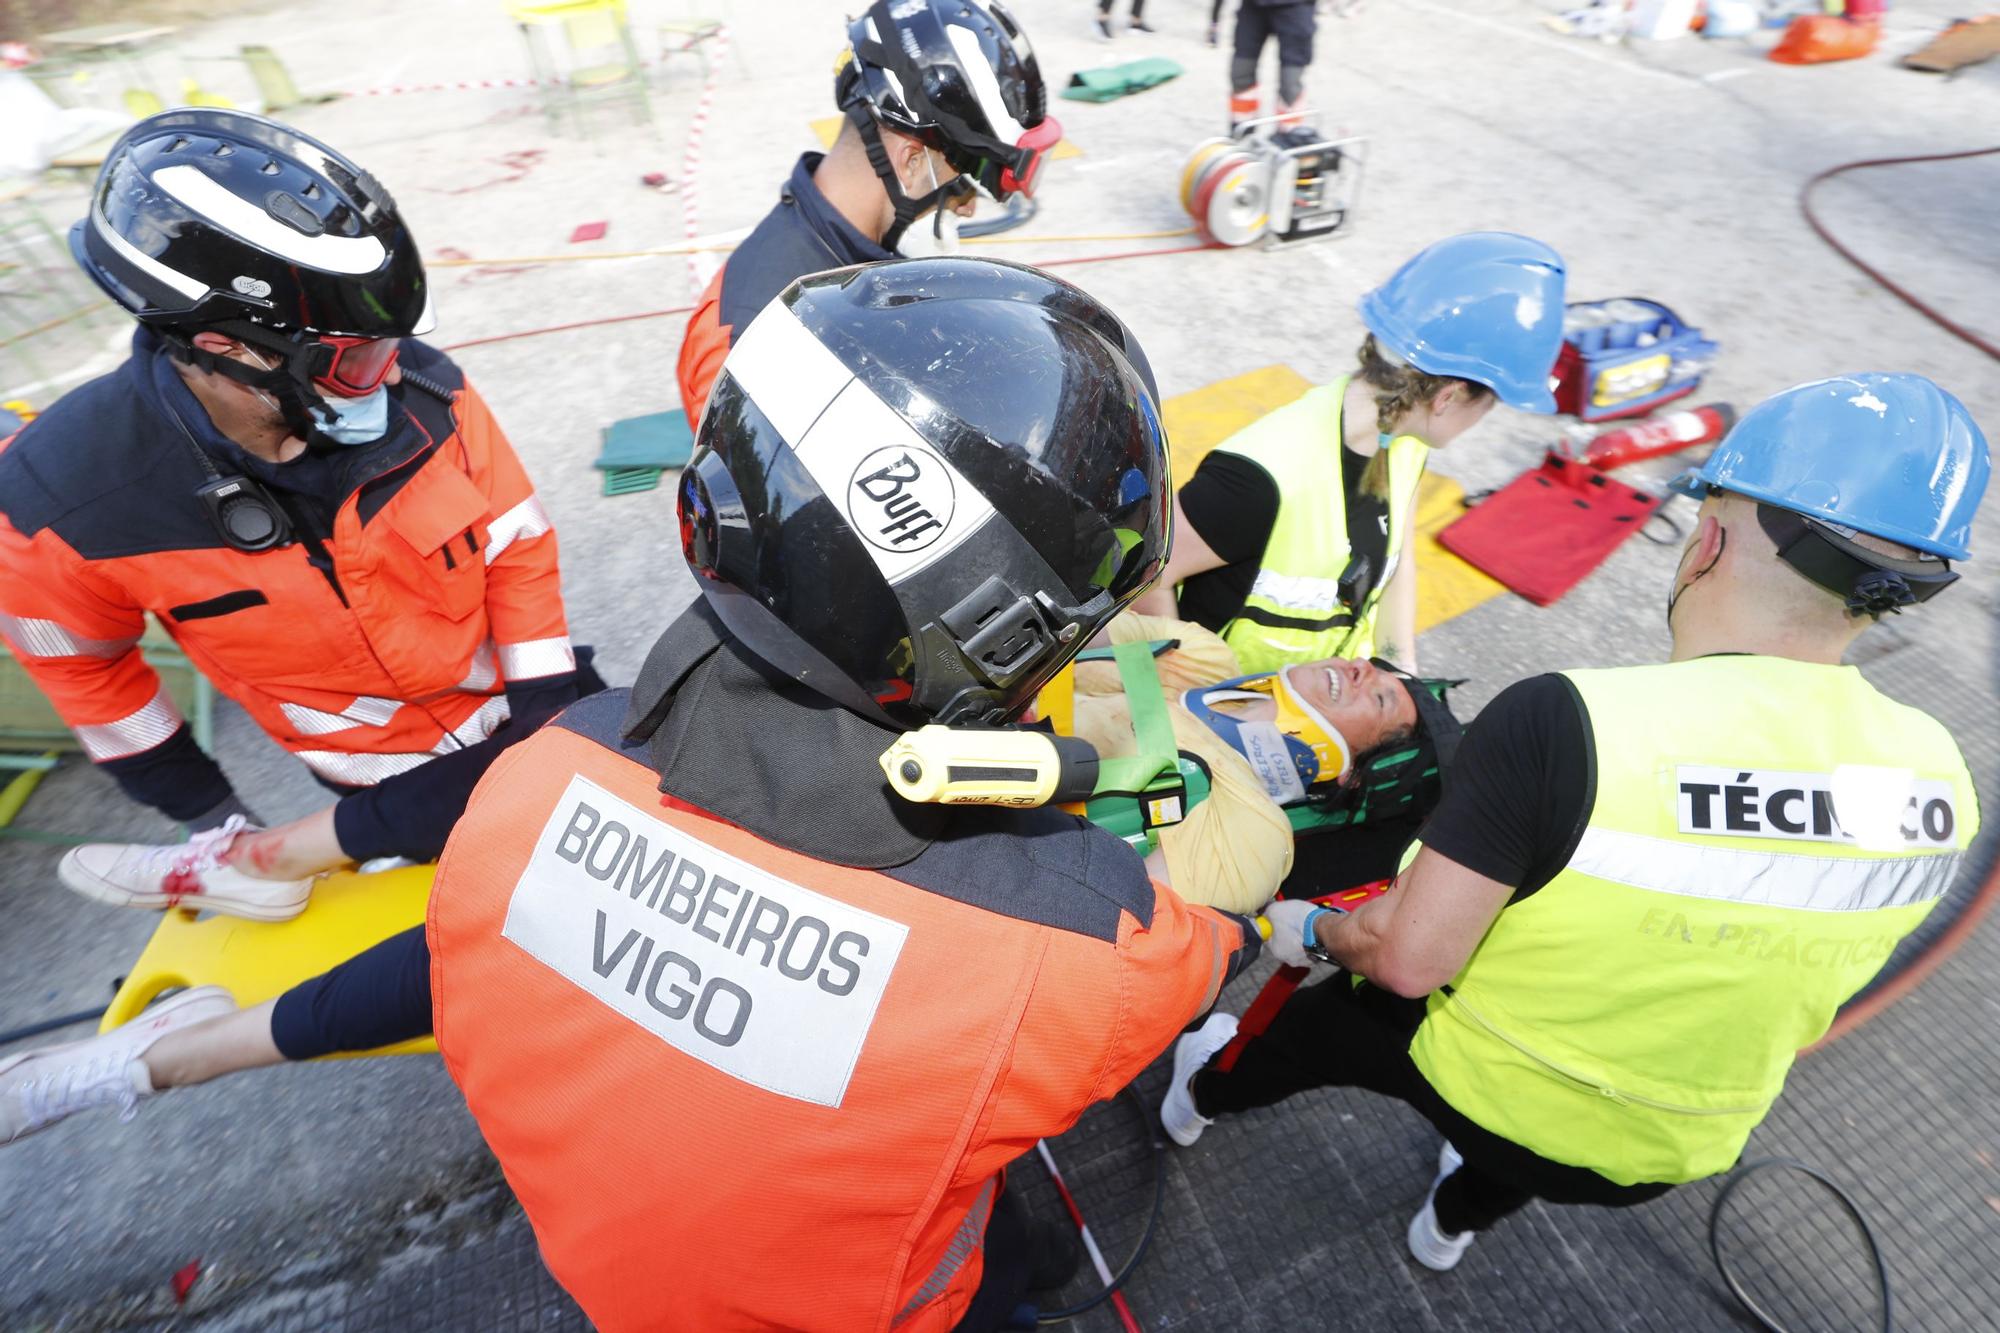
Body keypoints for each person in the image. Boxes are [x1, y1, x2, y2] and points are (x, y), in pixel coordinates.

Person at [5, 259, 1261, 1333]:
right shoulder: (1074, 943)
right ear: (985, 626)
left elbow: (450, 958)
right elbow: (1209, 939)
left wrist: (266, 853)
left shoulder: (529, 790)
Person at [1157, 373, 1987, 1271]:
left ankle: (1201, 1095)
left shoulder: (1572, 722)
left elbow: (1408, 959)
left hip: (1474, 1066)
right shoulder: (1942, 780)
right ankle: (1449, 1223)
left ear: (1705, 536)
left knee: (1316, 1035)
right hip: (1654, 1154)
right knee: (1518, 1164)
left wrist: (1311, 926)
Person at [0, 110, 588, 906]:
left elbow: (515, 541)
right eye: (355, 360)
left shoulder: (429, 396)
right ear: (227, 348)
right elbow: (86, 671)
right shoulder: (60, 503)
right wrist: (216, 822)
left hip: (532, 723)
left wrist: (547, 704)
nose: (388, 378)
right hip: (375, 794)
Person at [1131, 231, 1567, 674]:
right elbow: (1147, 579)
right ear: (1448, 397)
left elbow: (1399, 561)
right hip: (1232, 704)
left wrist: (1399, 673)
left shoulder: (1404, 444)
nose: (1485, 416)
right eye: (1491, 403)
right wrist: (1188, 692)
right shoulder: (1261, 478)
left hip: (1315, 699)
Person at [676, 0, 1059, 428]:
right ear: (911, 162)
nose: (967, 209)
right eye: (965, 187)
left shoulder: (872, 255)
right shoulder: (747, 348)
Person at [1073, 611, 1459, 912]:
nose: (1361, 666)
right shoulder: (1200, 657)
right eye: (1376, 670)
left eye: (1380, 699)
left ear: (1352, 775)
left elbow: (1098, 907)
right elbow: (1073, 626)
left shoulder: (1255, 840)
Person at [1228, 0, 1319, 129]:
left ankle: (1289, 136)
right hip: (1253, 7)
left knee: (1290, 85)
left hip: (1295, 8)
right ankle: (1242, 131)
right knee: (1241, 73)